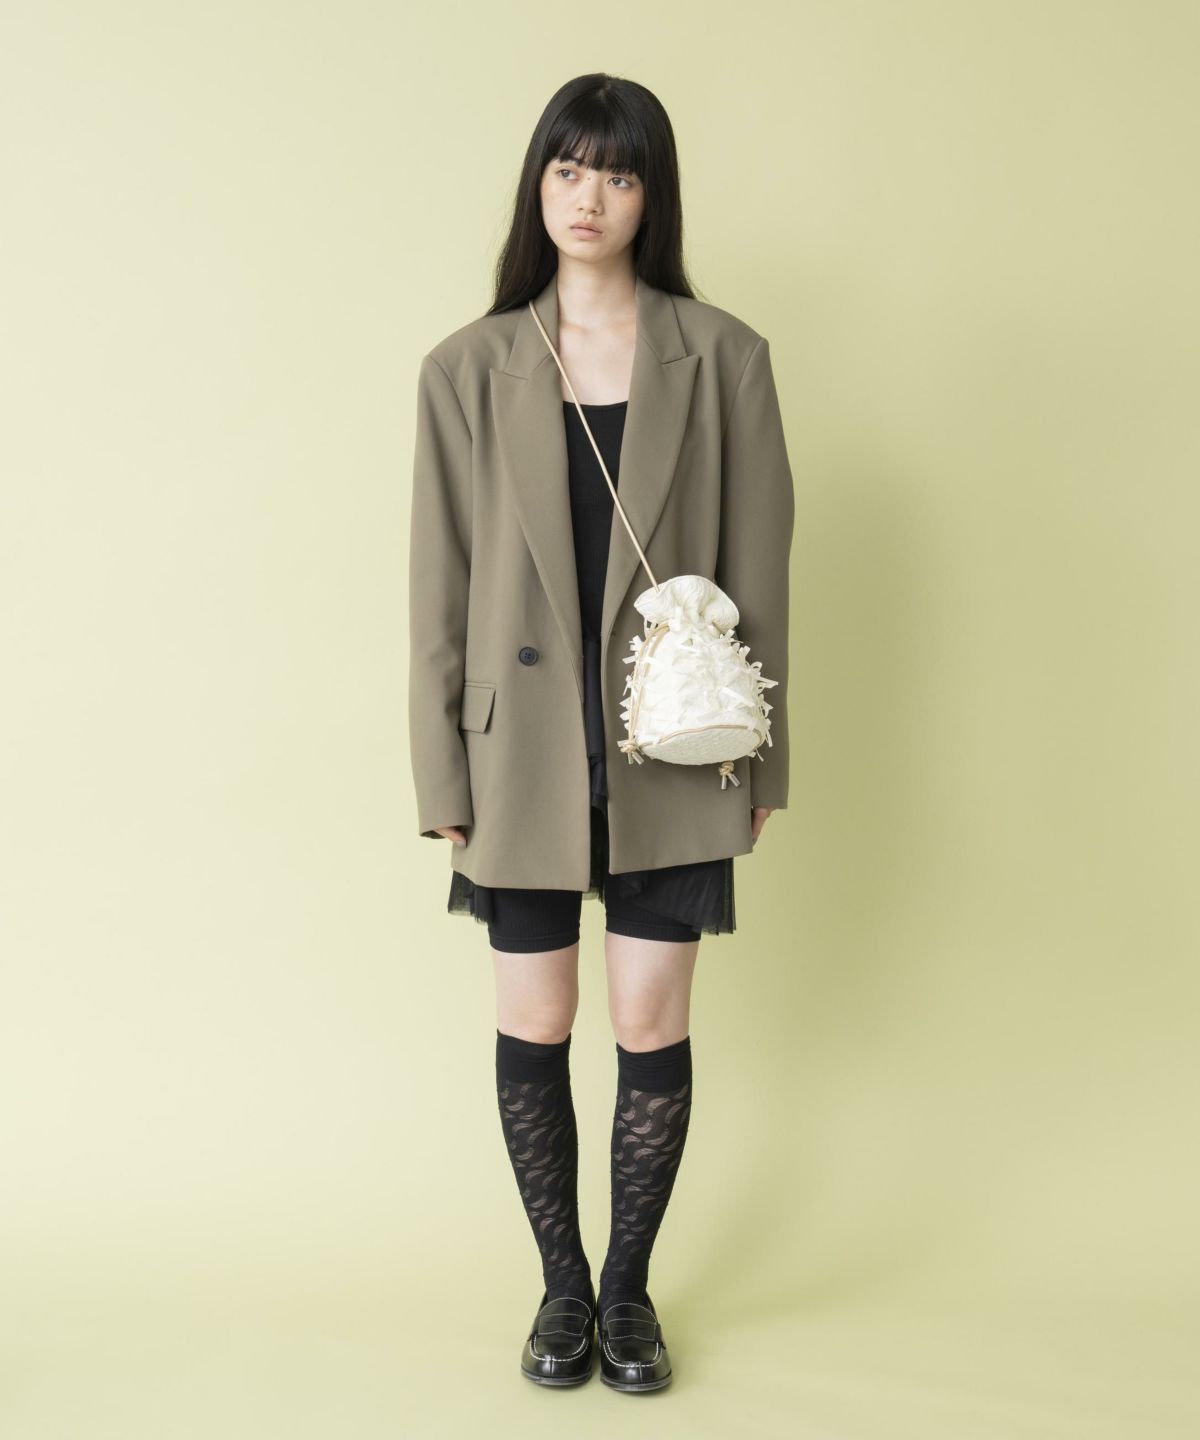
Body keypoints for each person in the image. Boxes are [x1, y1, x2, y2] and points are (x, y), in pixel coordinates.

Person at [408, 72, 794, 1391]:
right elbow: (438, 584)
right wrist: (439, 769)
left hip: (677, 744)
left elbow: (762, 569)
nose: (589, 197)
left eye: (618, 174)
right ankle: (561, 1291)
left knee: (646, 1015)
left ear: (651, 196)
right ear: (539, 183)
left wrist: (767, 758)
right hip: (515, 749)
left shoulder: (725, 357)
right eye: (569, 169)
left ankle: (627, 1294)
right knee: (538, 1012)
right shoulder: (468, 368)